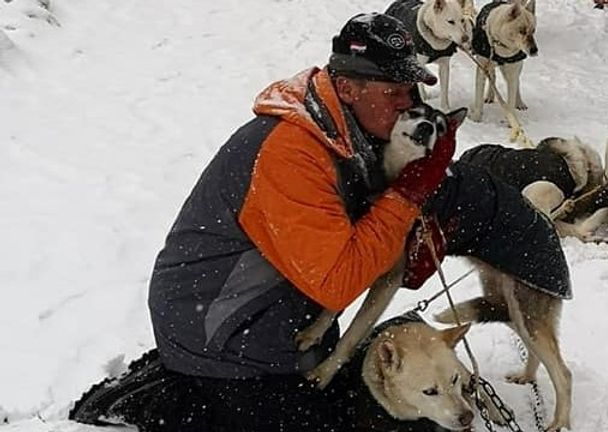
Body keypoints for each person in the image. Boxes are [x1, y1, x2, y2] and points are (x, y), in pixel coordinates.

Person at [69, 12, 458, 432]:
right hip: (219, 331)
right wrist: (405, 198)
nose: (409, 103)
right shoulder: (292, 152)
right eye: (394, 91)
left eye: (411, 89)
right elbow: (338, 280)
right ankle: (165, 395)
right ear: (347, 89)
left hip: (277, 318)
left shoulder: (351, 132)